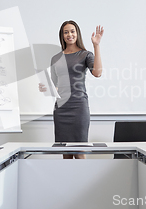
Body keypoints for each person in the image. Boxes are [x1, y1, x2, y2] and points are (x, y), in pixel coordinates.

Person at [39, 21, 104, 159]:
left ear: (77, 33)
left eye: (72, 31)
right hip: (61, 109)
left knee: (80, 153)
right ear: (62, 36)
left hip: (79, 107)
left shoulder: (85, 55)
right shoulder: (55, 58)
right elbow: (56, 86)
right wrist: (46, 88)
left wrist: (96, 45)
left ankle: (83, 181)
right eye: (66, 32)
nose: (69, 34)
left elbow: (97, 73)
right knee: (66, 154)